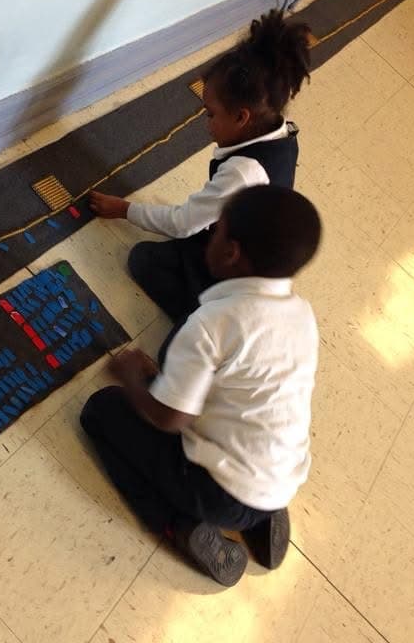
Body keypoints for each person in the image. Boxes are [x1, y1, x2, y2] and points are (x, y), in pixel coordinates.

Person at [80, 185, 322, 587]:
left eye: (216, 229)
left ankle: (180, 526)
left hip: (218, 492)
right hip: (281, 479)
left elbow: (170, 418)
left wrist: (132, 380)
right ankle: (261, 518)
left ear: (231, 252)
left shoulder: (214, 323)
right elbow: (240, 385)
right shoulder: (302, 314)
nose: (208, 234)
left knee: (102, 411)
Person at [89, 9, 312, 323]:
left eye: (210, 113)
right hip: (242, 248)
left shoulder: (242, 171)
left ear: (241, 117)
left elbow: (182, 224)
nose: (206, 123)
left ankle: (206, 318)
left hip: (234, 274)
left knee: (143, 261)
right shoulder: (283, 131)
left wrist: (124, 209)